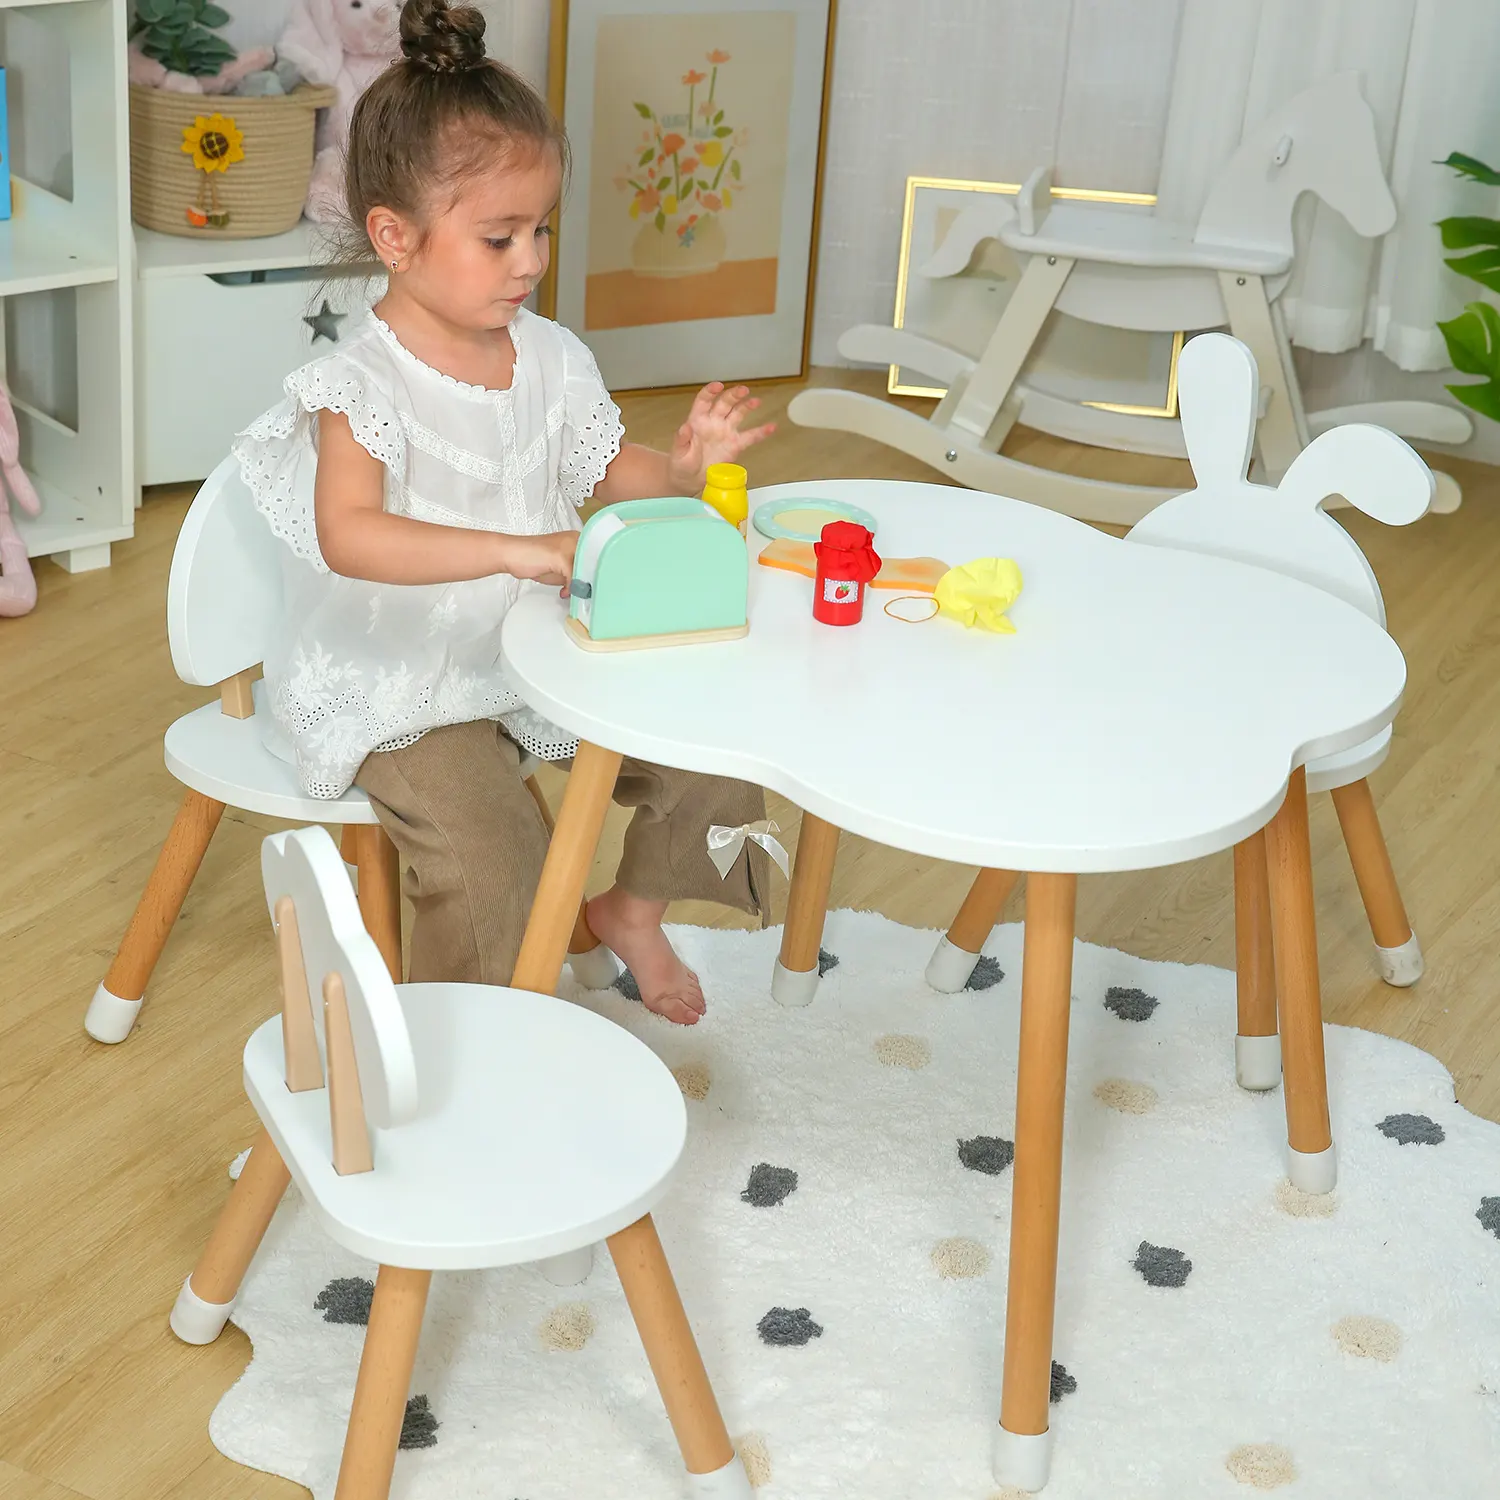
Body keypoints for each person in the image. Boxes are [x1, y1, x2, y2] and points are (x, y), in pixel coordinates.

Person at [233, 0, 773, 1025]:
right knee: (495, 862)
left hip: (533, 647)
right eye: (498, 237)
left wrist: (689, 466)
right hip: (402, 679)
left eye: (540, 230)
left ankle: (633, 910)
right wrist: (516, 549)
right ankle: (469, 1057)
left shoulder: (555, 357)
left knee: (713, 741)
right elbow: (350, 535)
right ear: (394, 237)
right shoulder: (361, 385)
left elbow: (613, 468)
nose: (529, 260)